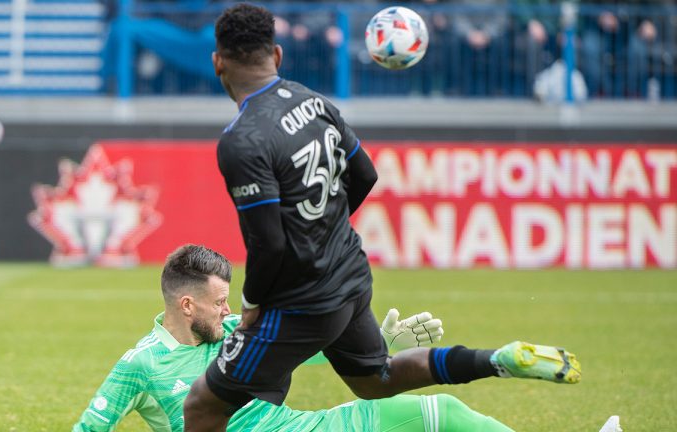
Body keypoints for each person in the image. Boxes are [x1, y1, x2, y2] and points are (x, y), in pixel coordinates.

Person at [183, 4, 581, 432]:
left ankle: (495, 360)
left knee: (202, 406)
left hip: (303, 302)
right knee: (377, 378)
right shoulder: (314, 101)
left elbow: (270, 243)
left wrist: (251, 305)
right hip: (350, 275)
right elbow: (366, 174)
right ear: (277, 55)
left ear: (217, 62)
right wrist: (326, 234)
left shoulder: (242, 140)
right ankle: (496, 360)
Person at [74, 244, 619, 432]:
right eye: (220, 301)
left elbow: (292, 355)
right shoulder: (138, 366)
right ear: (186, 304)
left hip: (302, 427)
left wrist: (376, 346)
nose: (228, 309)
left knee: (445, 413)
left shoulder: (226, 338)